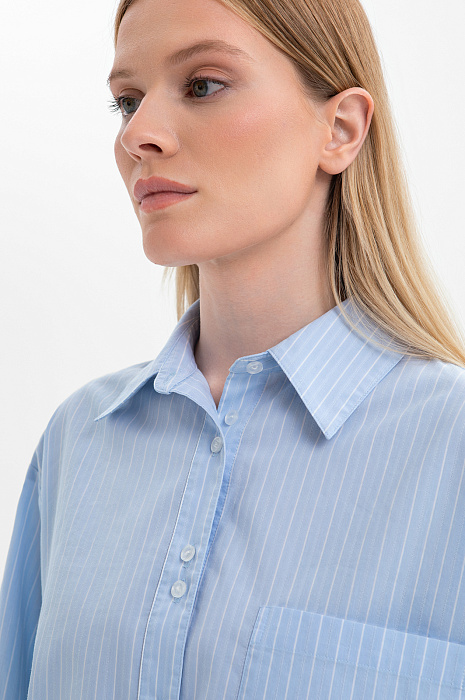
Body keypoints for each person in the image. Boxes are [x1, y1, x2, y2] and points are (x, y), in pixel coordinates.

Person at [2, 0, 465, 697]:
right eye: (127, 101)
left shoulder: (451, 449)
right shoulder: (78, 441)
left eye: (202, 85)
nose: (139, 135)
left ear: (340, 129)